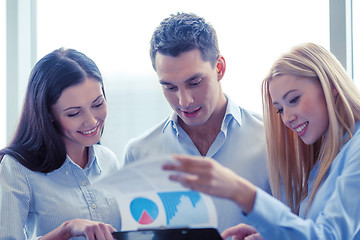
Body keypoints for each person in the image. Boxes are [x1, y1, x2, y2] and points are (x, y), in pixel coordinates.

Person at [163, 42, 360, 240]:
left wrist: (241, 192)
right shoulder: (328, 157)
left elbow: (331, 235)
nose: (287, 118)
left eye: (293, 100)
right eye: (280, 109)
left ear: (331, 86)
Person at [123, 12, 271, 233]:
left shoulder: (272, 141)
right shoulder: (139, 154)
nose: (184, 101)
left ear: (219, 68)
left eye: (194, 82)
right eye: (169, 87)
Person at [0, 48, 122, 239]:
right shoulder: (17, 168)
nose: (91, 121)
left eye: (98, 104)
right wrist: (66, 230)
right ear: (48, 114)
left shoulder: (109, 160)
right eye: (74, 113)